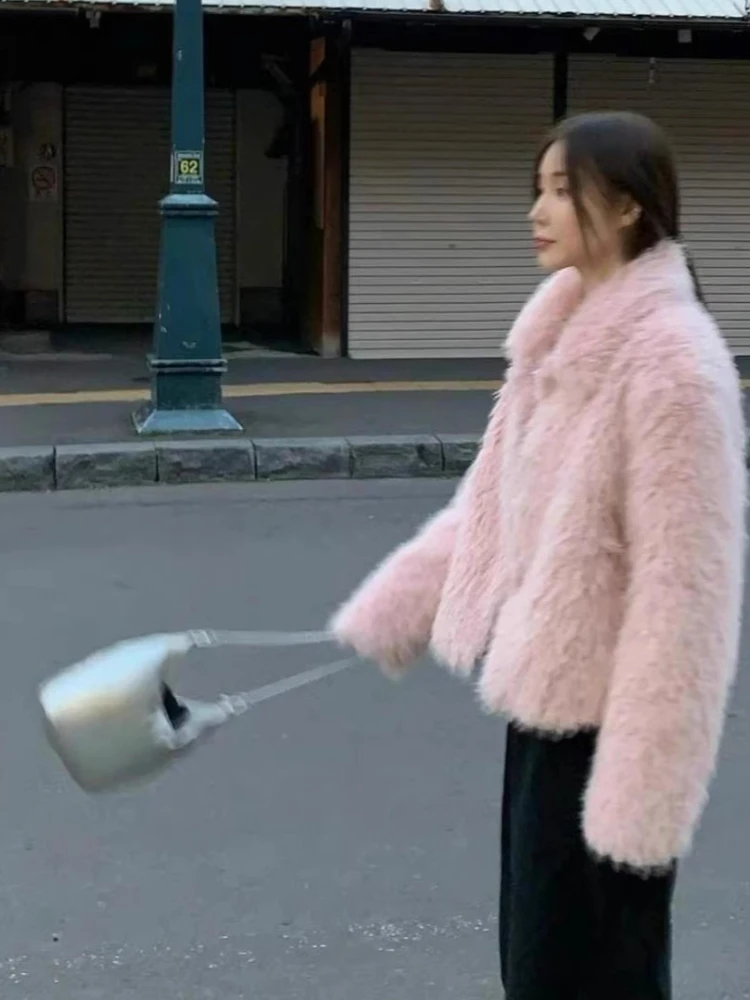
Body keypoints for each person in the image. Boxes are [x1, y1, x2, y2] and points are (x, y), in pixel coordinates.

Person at [328, 110, 747, 1000]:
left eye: (562, 190)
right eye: (539, 188)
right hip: (541, 709)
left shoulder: (673, 365)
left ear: (627, 207)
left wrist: (641, 794)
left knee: (599, 971)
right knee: (539, 963)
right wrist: (395, 609)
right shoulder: (552, 344)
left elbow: (686, 597)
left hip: (615, 735)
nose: (537, 210)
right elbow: (489, 511)